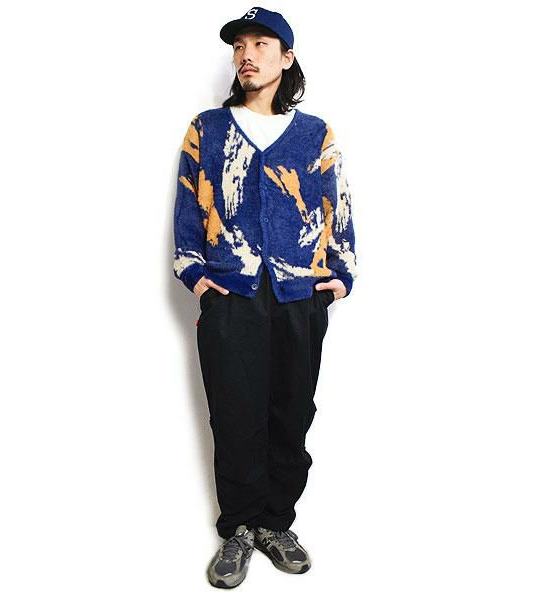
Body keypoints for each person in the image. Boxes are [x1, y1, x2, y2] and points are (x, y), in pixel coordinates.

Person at [172, 6, 358, 589]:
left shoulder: (314, 133)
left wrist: (342, 272)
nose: (246, 55)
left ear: (287, 56)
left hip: (301, 295)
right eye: (239, 45)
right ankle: (238, 529)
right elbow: (187, 204)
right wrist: (194, 273)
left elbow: (338, 204)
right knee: (234, 415)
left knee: (292, 413)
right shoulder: (208, 128)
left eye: (260, 44)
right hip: (231, 294)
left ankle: (277, 523)